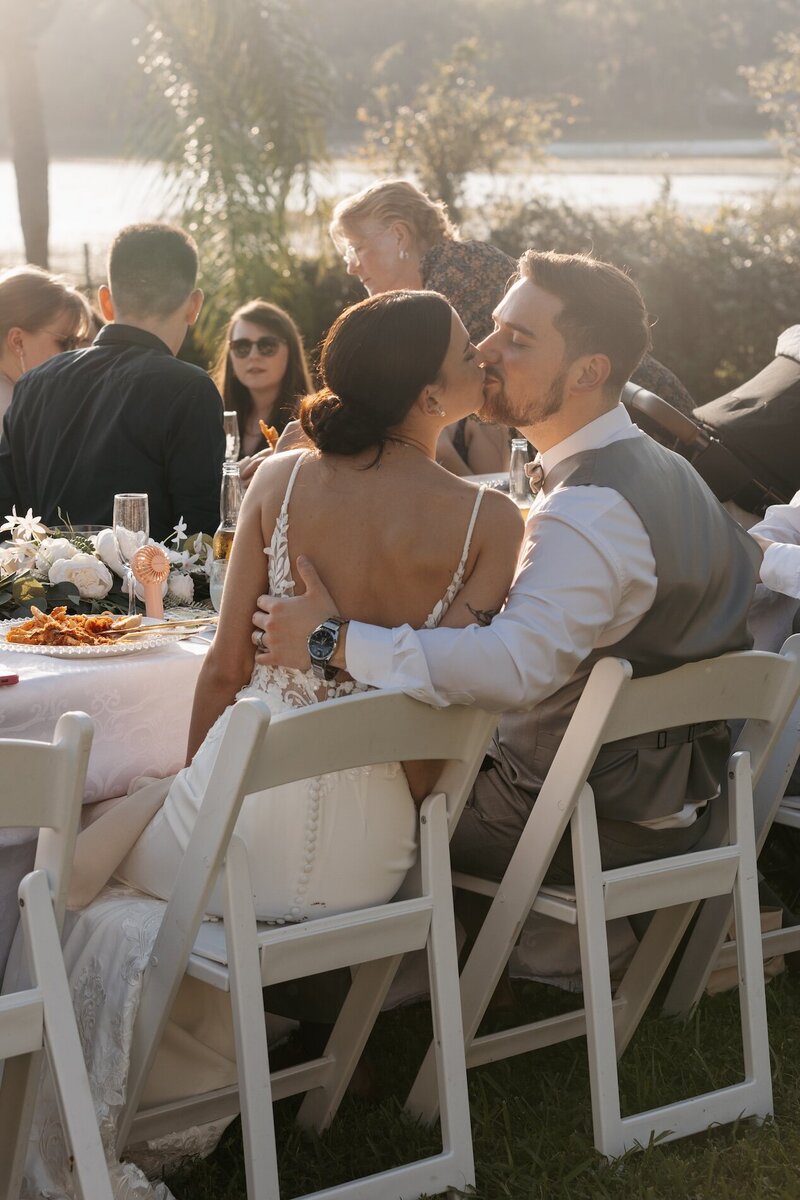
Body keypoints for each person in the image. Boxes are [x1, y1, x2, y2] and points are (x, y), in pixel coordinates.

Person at [23, 291, 521, 1195]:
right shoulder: (496, 524)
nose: (479, 358)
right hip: (373, 862)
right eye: (463, 349)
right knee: (123, 833)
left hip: (235, 837)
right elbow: (437, 700)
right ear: (425, 391)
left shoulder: (282, 482)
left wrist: (192, 790)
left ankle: (72, 1102)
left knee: (81, 849)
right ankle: (241, 1066)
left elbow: (222, 671)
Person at [252, 250, 761, 883]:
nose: (486, 351)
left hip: (563, 817)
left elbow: (511, 669)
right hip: (676, 805)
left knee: (343, 812)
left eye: (516, 340)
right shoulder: (664, 469)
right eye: (491, 328)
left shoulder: (589, 511)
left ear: (587, 372)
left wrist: (333, 639)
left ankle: (370, 968)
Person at [0, 223, 224, 541]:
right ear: (194, 306)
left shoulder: (34, 384)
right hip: (149, 589)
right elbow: (200, 538)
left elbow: (7, 517)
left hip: (41, 588)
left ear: (105, 302)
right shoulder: (191, 390)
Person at [330, 177, 516, 476]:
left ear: (399, 235)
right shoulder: (441, 275)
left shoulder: (458, 270)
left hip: (527, 448)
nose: (351, 266)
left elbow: (385, 386)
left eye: (357, 248)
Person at [213, 298, 313, 462]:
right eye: (242, 347)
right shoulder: (212, 417)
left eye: (267, 345)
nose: (254, 356)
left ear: (291, 351)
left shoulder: (309, 423)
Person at [0, 265, 90, 421]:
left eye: (77, 344)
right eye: (65, 343)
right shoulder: (18, 415)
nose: (75, 355)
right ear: (18, 341)